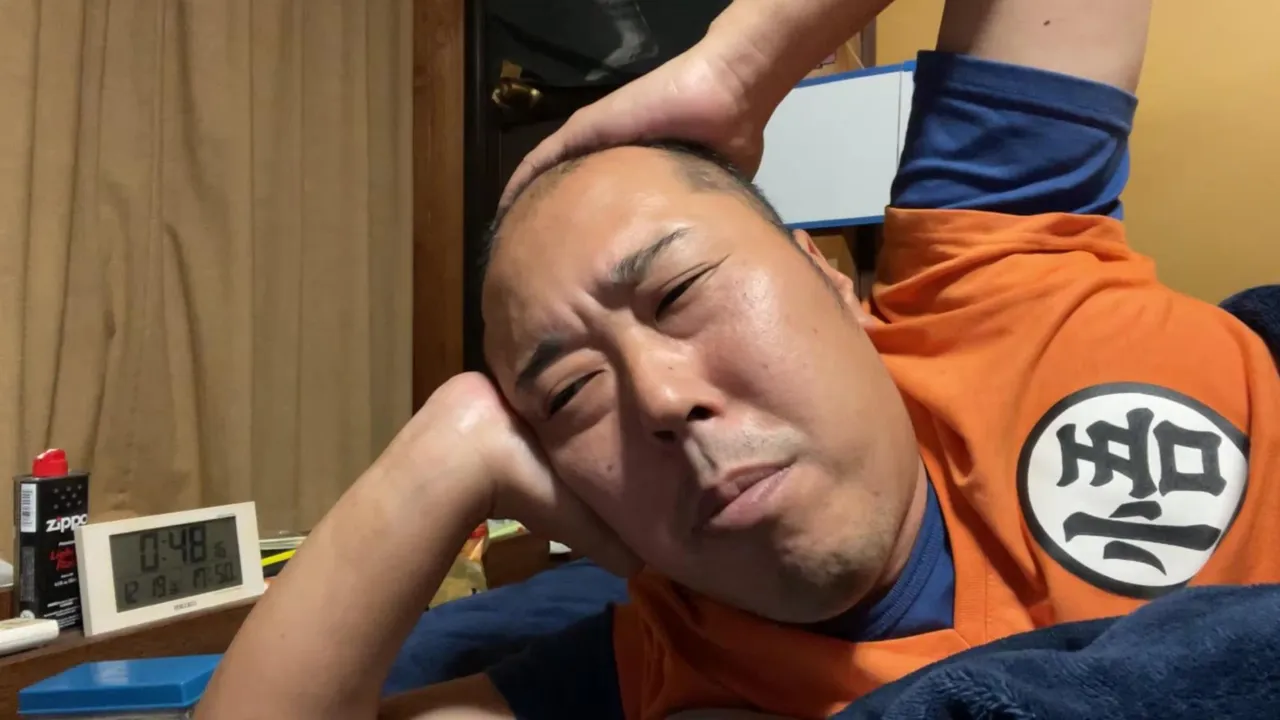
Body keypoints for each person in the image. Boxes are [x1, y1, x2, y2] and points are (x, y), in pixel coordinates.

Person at [197, 0, 1280, 718]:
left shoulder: (995, 272)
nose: (662, 397)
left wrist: (738, 68)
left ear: (826, 277)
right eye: (571, 392)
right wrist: (449, 445)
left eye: (677, 293)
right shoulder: (667, 669)